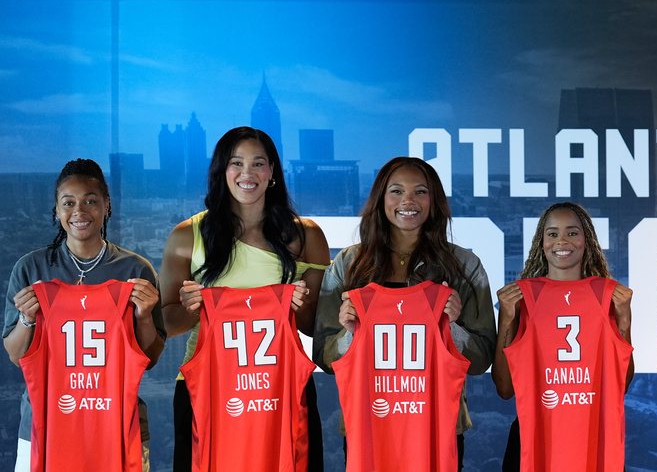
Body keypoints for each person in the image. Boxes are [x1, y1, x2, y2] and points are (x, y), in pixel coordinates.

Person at [160, 126, 330, 472]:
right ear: (222, 172)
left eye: (258, 164)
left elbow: (317, 327)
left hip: (280, 387)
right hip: (207, 387)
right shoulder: (186, 235)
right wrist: (193, 310)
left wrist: (298, 310)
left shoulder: (306, 234)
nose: (247, 174)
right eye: (236, 163)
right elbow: (166, 323)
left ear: (272, 173)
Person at [313, 156, 496, 469]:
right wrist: (349, 333)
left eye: (420, 192)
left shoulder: (464, 266)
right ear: (381, 199)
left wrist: (451, 326)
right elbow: (325, 358)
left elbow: (480, 360)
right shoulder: (348, 264)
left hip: (439, 426)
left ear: (434, 200)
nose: (408, 201)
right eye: (396, 191)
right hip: (367, 423)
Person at [3, 158, 165, 472]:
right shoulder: (30, 268)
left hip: (117, 421)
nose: (79, 211)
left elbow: (150, 356)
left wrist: (144, 315)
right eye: (69, 203)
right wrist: (27, 319)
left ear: (107, 205)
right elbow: (16, 355)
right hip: (44, 421)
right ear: (57, 210)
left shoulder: (135, 269)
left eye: (90, 201)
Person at [492, 202, 633, 471]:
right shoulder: (520, 298)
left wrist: (624, 321)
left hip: (592, 438)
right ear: (541, 242)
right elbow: (504, 389)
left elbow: (620, 386)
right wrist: (507, 319)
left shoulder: (610, 296)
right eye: (553, 233)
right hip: (533, 439)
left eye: (572, 232)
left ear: (587, 240)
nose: (562, 241)